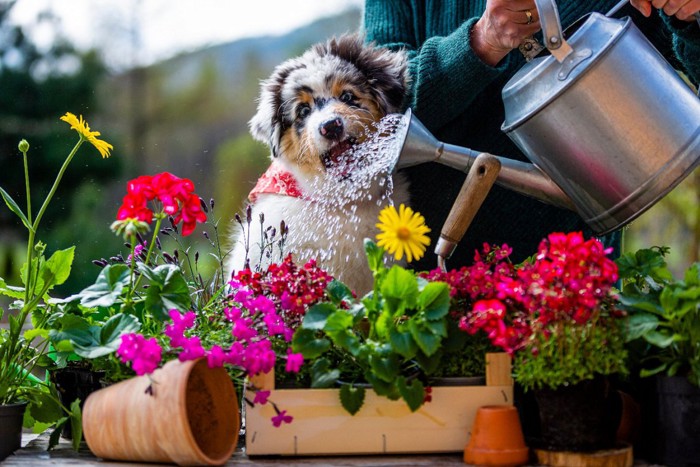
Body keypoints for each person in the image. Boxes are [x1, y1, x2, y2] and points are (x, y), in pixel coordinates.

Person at [363, 0, 700, 270]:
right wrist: (482, 41)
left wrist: (691, 18)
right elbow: (374, 118)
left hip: (566, 282)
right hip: (421, 283)